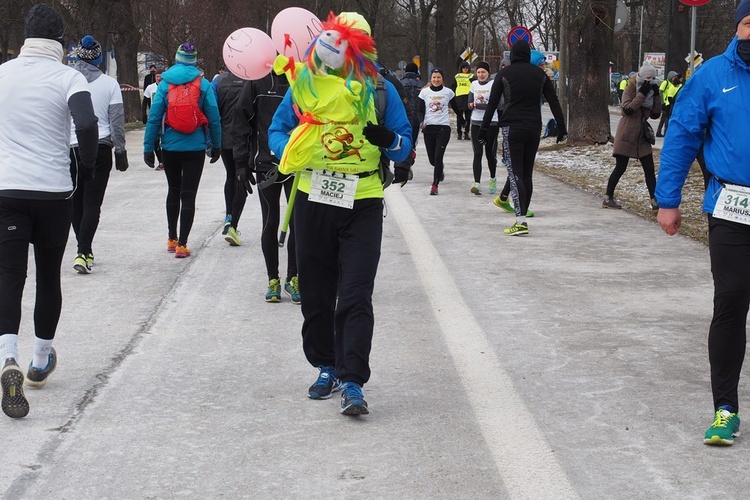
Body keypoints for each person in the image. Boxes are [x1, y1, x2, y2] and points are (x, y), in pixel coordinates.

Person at [268, 11, 412, 415]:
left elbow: (404, 147)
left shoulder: (381, 90)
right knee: (315, 292)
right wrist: (292, 150)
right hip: (314, 197)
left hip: (363, 200)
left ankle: (352, 380)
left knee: (355, 293)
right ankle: (326, 365)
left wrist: (389, 140)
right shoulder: (305, 87)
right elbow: (277, 133)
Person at [655, 0, 750, 446]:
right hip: (732, 206)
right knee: (731, 301)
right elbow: (681, 135)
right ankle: (725, 409)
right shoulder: (712, 75)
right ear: (738, 26)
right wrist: (668, 200)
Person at [0, 4, 98, 419]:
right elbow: (88, 126)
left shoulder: (2, 74)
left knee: (8, 275)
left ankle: (7, 359)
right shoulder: (69, 76)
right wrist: (88, 169)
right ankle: (40, 361)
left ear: (25, 36)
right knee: (48, 275)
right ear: (60, 39)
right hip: (54, 192)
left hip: (6, 189)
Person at [479, 39, 566, 236]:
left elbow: (493, 104)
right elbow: (553, 100)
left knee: (514, 173)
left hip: (512, 128)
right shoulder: (540, 74)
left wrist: (484, 129)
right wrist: (561, 125)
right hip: (533, 128)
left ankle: (520, 222)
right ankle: (523, 215)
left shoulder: (504, 74)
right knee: (527, 174)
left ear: (512, 54)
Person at [143, 42, 221, 258]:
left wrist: (148, 148)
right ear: (195, 61)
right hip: (195, 147)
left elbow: (154, 118)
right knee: (189, 194)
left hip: (169, 146)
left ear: (177, 59)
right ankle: (183, 244)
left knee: (173, 190)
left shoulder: (165, 83)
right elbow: (214, 117)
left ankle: (171, 237)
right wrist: (216, 144)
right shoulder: (203, 84)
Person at [232, 71, 300, 304]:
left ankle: (294, 278)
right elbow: (241, 120)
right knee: (270, 221)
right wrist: (240, 163)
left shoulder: (304, 78)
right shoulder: (257, 81)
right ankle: (273, 279)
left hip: (298, 163)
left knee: (298, 223)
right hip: (266, 163)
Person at [69, 35, 128, 274]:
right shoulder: (110, 84)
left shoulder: (67, 80)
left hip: (71, 147)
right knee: (93, 202)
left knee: (76, 202)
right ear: (100, 59)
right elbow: (117, 121)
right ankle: (84, 250)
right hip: (101, 146)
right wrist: (121, 150)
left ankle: (83, 248)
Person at [602, 63, 661, 210]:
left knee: (649, 169)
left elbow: (655, 114)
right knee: (620, 167)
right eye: (648, 77)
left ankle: (654, 199)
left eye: (653, 78)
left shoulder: (651, 92)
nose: (650, 81)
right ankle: (608, 197)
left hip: (642, 134)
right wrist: (641, 94)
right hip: (627, 133)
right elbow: (627, 109)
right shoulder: (630, 88)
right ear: (641, 76)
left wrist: (657, 95)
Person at [211, 67, 246, 244]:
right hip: (245, 139)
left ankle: (228, 215)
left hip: (225, 137)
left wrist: (213, 140)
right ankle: (233, 225)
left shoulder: (218, 81)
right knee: (242, 178)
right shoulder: (252, 81)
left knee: (230, 175)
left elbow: (212, 110)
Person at [419, 68, 455, 195]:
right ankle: (440, 170)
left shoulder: (448, 92)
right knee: (432, 160)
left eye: (438, 77)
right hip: (429, 128)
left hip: (443, 128)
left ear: (442, 79)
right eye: (434, 77)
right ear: (431, 78)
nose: (436, 79)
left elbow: (455, 106)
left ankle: (435, 185)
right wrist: (420, 122)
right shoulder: (424, 93)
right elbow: (419, 110)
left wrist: (463, 119)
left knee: (438, 157)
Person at [467, 61, 498, 195]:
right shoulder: (473, 84)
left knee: (490, 153)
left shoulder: (493, 84)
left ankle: (492, 178)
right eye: (478, 72)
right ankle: (477, 183)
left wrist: (481, 105)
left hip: (491, 122)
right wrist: (472, 105)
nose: (481, 75)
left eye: (483, 72)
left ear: (488, 73)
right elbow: (469, 102)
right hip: (476, 122)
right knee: (477, 153)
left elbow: (495, 104)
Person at [394, 62, 423, 183]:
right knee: (412, 142)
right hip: (416, 118)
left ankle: (403, 165)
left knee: (402, 141)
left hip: (403, 117)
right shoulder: (420, 85)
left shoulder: (399, 84)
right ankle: (409, 161)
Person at [143, 72, 164, 170]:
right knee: (155, 141)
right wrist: (144, 114)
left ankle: (166, 161)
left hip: (164, 117)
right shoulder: (150, 88)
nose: (158, 78)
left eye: (160, 76)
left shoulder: (166, 87)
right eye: (157, 76)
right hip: (154, 116)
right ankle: (161, 161)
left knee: (164, 140)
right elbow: (145, 102)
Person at [656, 71, 682, 137]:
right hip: (665, 103)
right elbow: (661, 91)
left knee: (664, 118)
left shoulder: (672, 84)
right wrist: (662, 102)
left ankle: (660, 131)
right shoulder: (666, 82)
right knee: (664, 118)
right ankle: (661, 131)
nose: (675, 78)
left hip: (668, 102)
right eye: (674, 77)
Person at [451, 61, 474, 140]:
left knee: (468, 117)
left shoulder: (471, 76)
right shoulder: (457, 76)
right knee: (459, 116)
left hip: (468, 97)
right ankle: (459, 133)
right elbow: (453, 86)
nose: (465, 69)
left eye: (466, 68)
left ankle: (466, 133)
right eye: (463, 68)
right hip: (459, 97)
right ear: (461, 68)